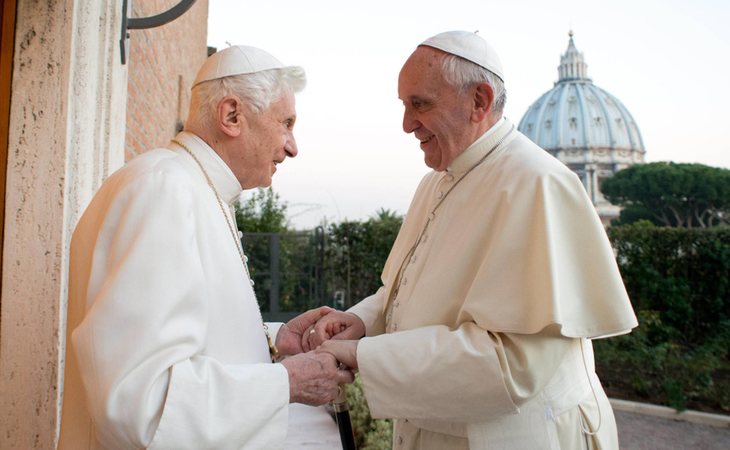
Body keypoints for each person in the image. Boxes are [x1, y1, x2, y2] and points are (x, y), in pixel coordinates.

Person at [305, 31, 638, 449]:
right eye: (405, 106)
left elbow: (512, 364)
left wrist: (363, 357)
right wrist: (363, 323)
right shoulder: (435, 183)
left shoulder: (537, 184)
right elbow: (406, 292)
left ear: (479, 101)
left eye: (420, 104)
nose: (406, 124)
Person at [58, 45, 353, 449]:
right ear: (232, 115)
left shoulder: (192, 187)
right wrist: (288, 381)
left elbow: (191, 335)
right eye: (285, 123)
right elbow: (144, 403)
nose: (292, 146)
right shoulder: (165, 189)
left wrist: (274, 340)